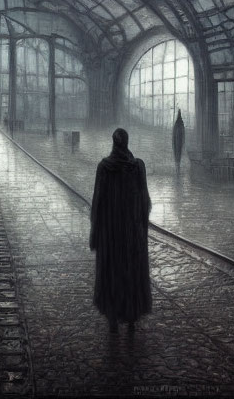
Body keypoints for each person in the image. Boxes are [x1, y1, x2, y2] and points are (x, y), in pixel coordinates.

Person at [90, 128, 152, 333]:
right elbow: (145, 202)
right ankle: (132, 318)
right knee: (131, 273)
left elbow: (97, 203)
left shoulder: (104, 167)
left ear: (113, 143)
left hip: (110, 234)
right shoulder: (138, 167)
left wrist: (96, 234)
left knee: (112, 273)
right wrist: (141, 228)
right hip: (132, 234)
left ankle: (113, 318)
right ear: (127, 142)